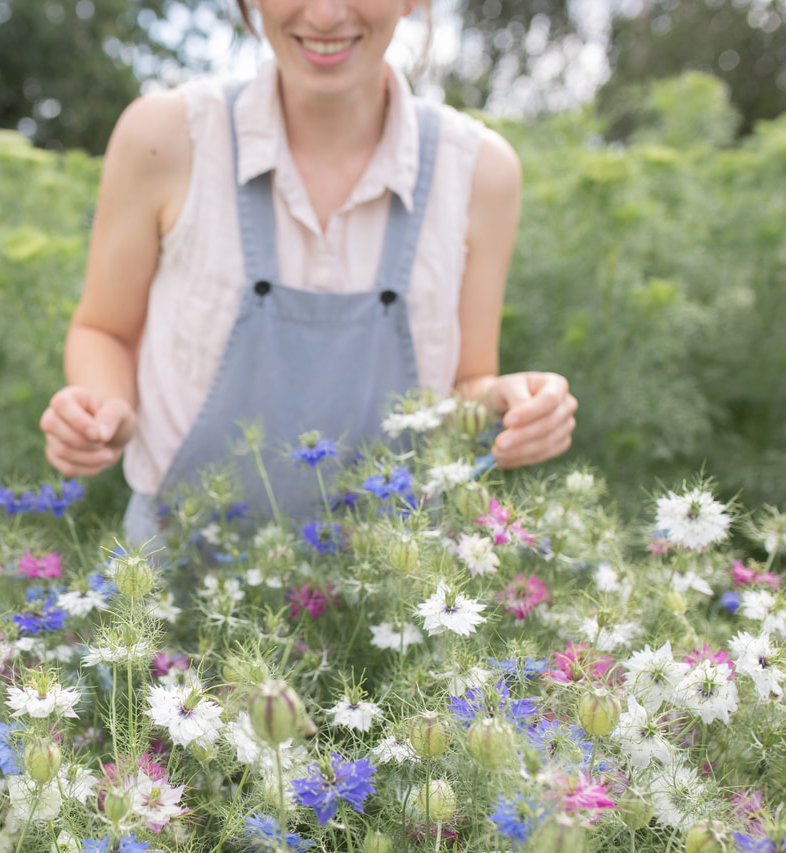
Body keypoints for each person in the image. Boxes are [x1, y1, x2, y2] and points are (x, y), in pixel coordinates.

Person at [39, 0, 578, 543]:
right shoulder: (166, 138)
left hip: (390, 579)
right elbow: (103, 329)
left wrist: (509, 400)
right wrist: (106, 408)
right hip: (177, 565)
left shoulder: (479, 171)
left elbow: (463, 386)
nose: (323, 15)